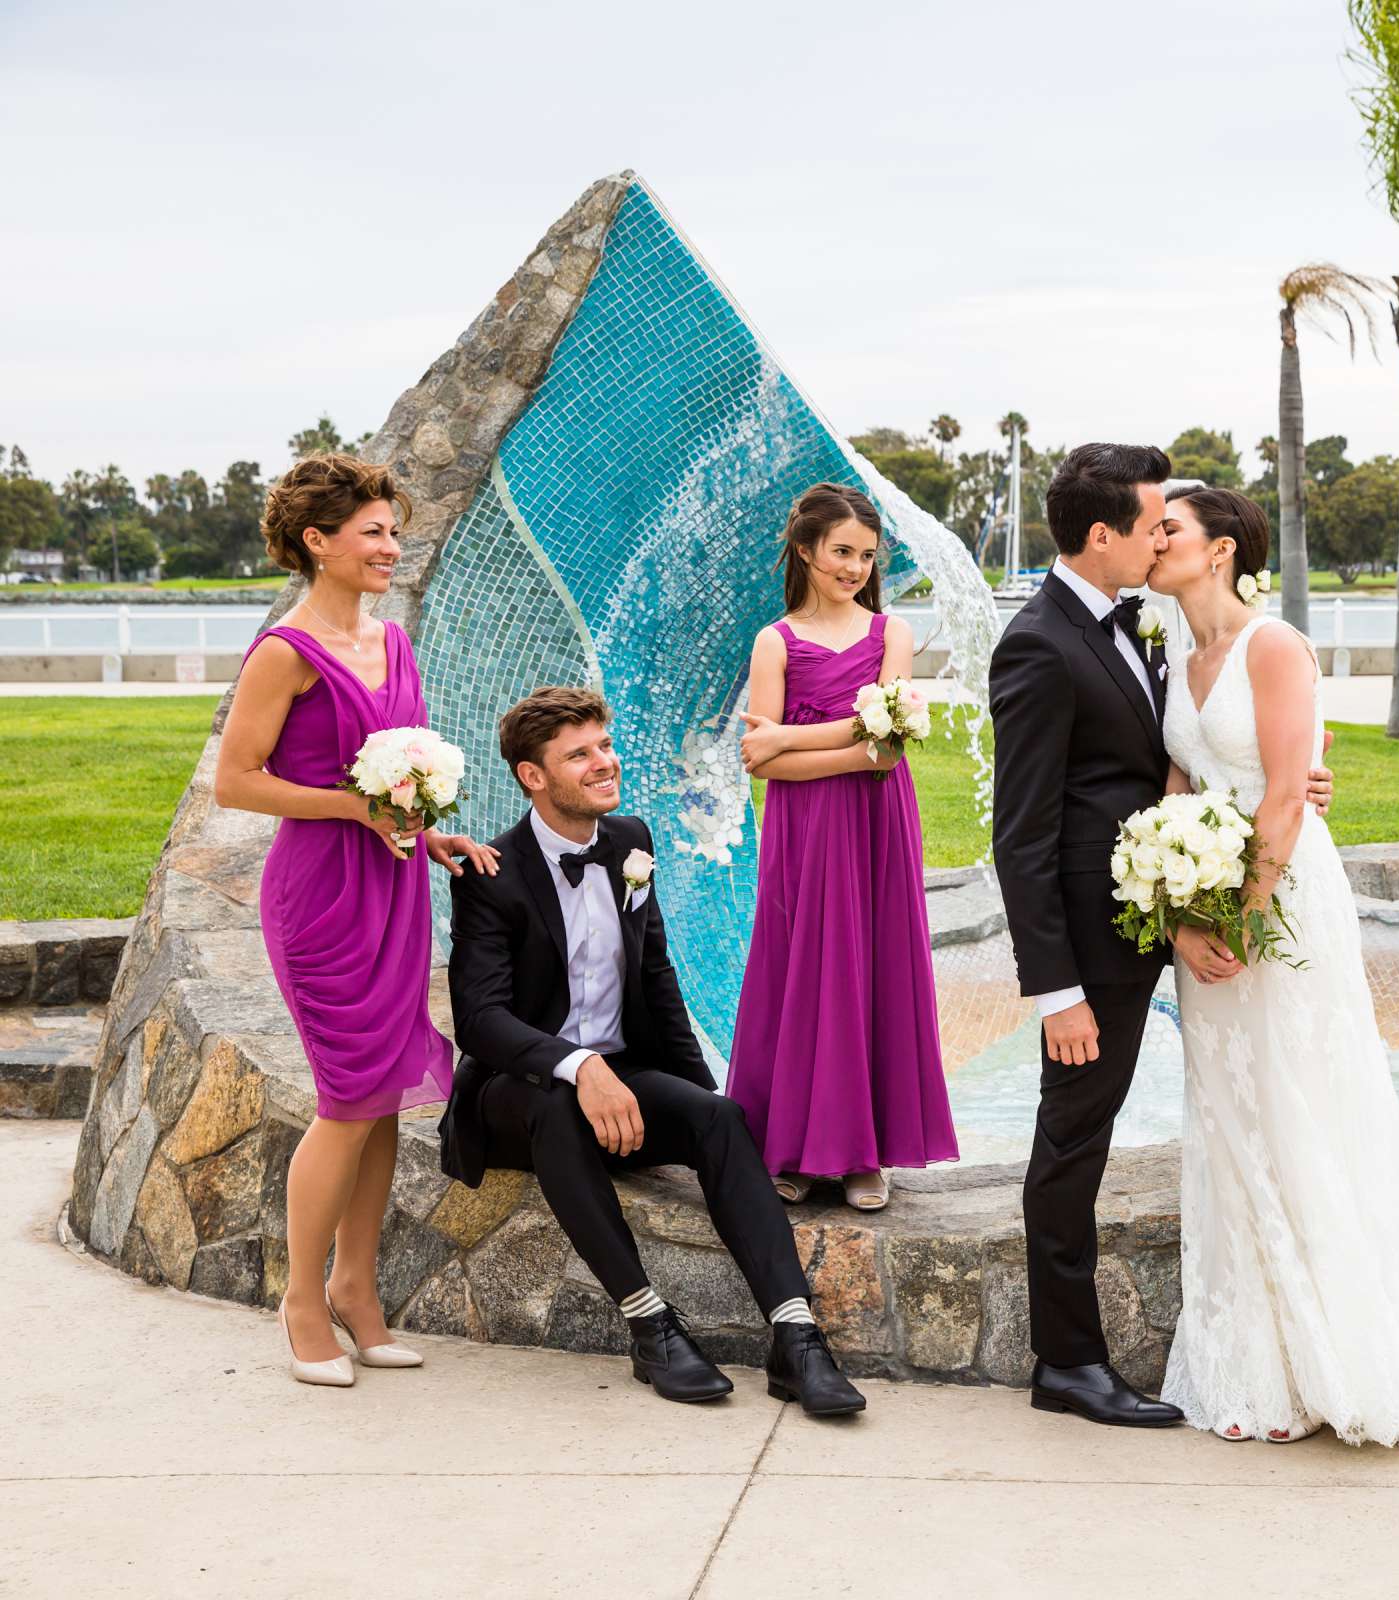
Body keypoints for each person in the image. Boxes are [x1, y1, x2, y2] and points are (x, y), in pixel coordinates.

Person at [1150, 486, 1399, 1450]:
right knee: (1230, 1117)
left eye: (1170, 531)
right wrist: (1176, 910)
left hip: (1281, 896)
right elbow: (1179, 786)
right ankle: (1256, 1367)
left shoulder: (1272, 646)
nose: (1154, 543)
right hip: (1205, 904)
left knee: (1302, 1101)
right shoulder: (1174, 653)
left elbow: (1285, 791)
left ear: (1222, 549)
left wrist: (1242, 905)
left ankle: (1343, 1361)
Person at [986, 443, 1332, 1428]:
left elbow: (1167, 766)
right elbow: (1023, 834)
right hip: (1091, 960)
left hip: (1163, 924)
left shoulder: (1137, 628)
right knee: (1070, 1147)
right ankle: (1068, 1362)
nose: (1157, 537)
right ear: (1105, 536)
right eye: (1149, 523)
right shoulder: (1040, 642)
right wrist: (1054, 990)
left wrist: (1291, 777)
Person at [437, 687, 865, 1414]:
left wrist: (696, 1108)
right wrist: (581, 1066)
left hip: (621, 1075)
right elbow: (479, 1021)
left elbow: (658, 979)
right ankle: (650, 1325)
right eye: (580, 755)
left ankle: (796, 1340)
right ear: (532, 777)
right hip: (521, 1091)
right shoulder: (493, 873)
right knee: (558, 1107)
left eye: (604, 745)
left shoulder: (631, 841)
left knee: (721, 1118)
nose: (605, 763)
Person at [217, 452, 498, 1389]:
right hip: (321, 900)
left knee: (380, 1106)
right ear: (317, 543)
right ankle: (302, 1302)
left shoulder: (396, 643)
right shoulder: (284, 654)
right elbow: (238, 781)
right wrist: (356, 811)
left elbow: (394, 780)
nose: (391, 546)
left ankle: (358, 1291)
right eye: (374, 532)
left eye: (391, 530)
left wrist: (428, 831)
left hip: (397, 886)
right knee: (347, 1101)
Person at [729, 484, 956, 1210]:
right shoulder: (775, 641)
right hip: (803, 826)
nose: (855, 566)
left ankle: (865, 1153)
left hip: (875, 823)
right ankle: (789, 1143)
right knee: (802, 970)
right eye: (841, 552)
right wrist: (849, 748)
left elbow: (885, 744)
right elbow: (760, 762)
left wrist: (791, 735)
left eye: (865, 554)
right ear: (805, 551)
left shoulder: (891, 634)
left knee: (871, 965)